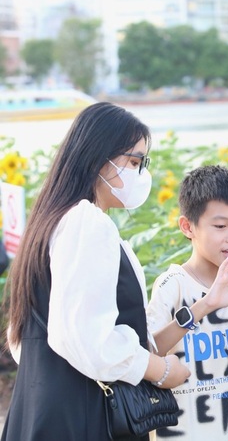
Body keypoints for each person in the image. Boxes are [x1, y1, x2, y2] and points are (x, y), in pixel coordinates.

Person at [1, 102, 193, 441]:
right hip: (85, 415)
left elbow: (22, 338)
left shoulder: (49, 220)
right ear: (99, 157)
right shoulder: (88, 223)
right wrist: (161, 370)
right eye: (134, 161)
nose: (140, 173)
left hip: (39, 406)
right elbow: (88, 339)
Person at [146, 165, 228, 440]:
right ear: (187, 227)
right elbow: (147, 353)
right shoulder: (173, 284)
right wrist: (205, 305)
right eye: (220, 226)